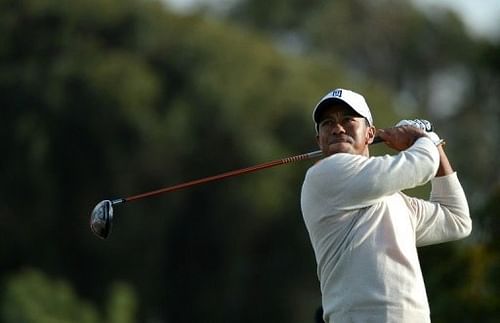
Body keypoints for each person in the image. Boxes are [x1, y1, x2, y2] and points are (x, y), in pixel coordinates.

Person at [300, 88, 472, 323]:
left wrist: (434, 145)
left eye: (348, 120)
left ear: (370, 134)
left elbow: (456, 220)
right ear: (319, 140)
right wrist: (423, 137)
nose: (338, 128)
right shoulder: (324, 175)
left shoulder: (396, 200)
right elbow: (421, 164)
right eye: (327, 123)